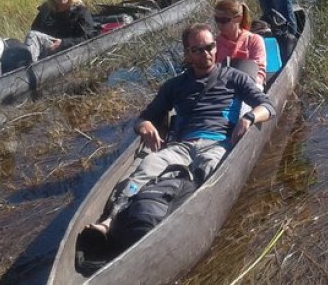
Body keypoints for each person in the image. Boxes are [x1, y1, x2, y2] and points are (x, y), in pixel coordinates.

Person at [85, 23, 275, 237]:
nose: (207, 53)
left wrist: (249, 117)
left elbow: (267, 106)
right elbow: (145, 118)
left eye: (210, 47)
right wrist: (145, 126)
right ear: (187, 53)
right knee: (147, 166)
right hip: (182, 146)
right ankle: (111, 219)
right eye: (198, 50)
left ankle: (183, 221)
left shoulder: (234, 77)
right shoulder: (174, 85)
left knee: (210, 173)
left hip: (218, 144)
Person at [24, 0, 98, 62]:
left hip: (68, 50)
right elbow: (35, 29)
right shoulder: (47, 10)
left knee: (32, 35)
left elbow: (89, 37)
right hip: (47, 48)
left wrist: (63, 43)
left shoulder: (80, 11)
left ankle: (30, 68)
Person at [213, 0, 266, 87]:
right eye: (216, 19)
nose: (219, 24)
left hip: (250, 85)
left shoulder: (253, 40)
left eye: (224, 20)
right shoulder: (215, 43)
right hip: (223, 87)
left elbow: (259, 72)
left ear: (238, 18)